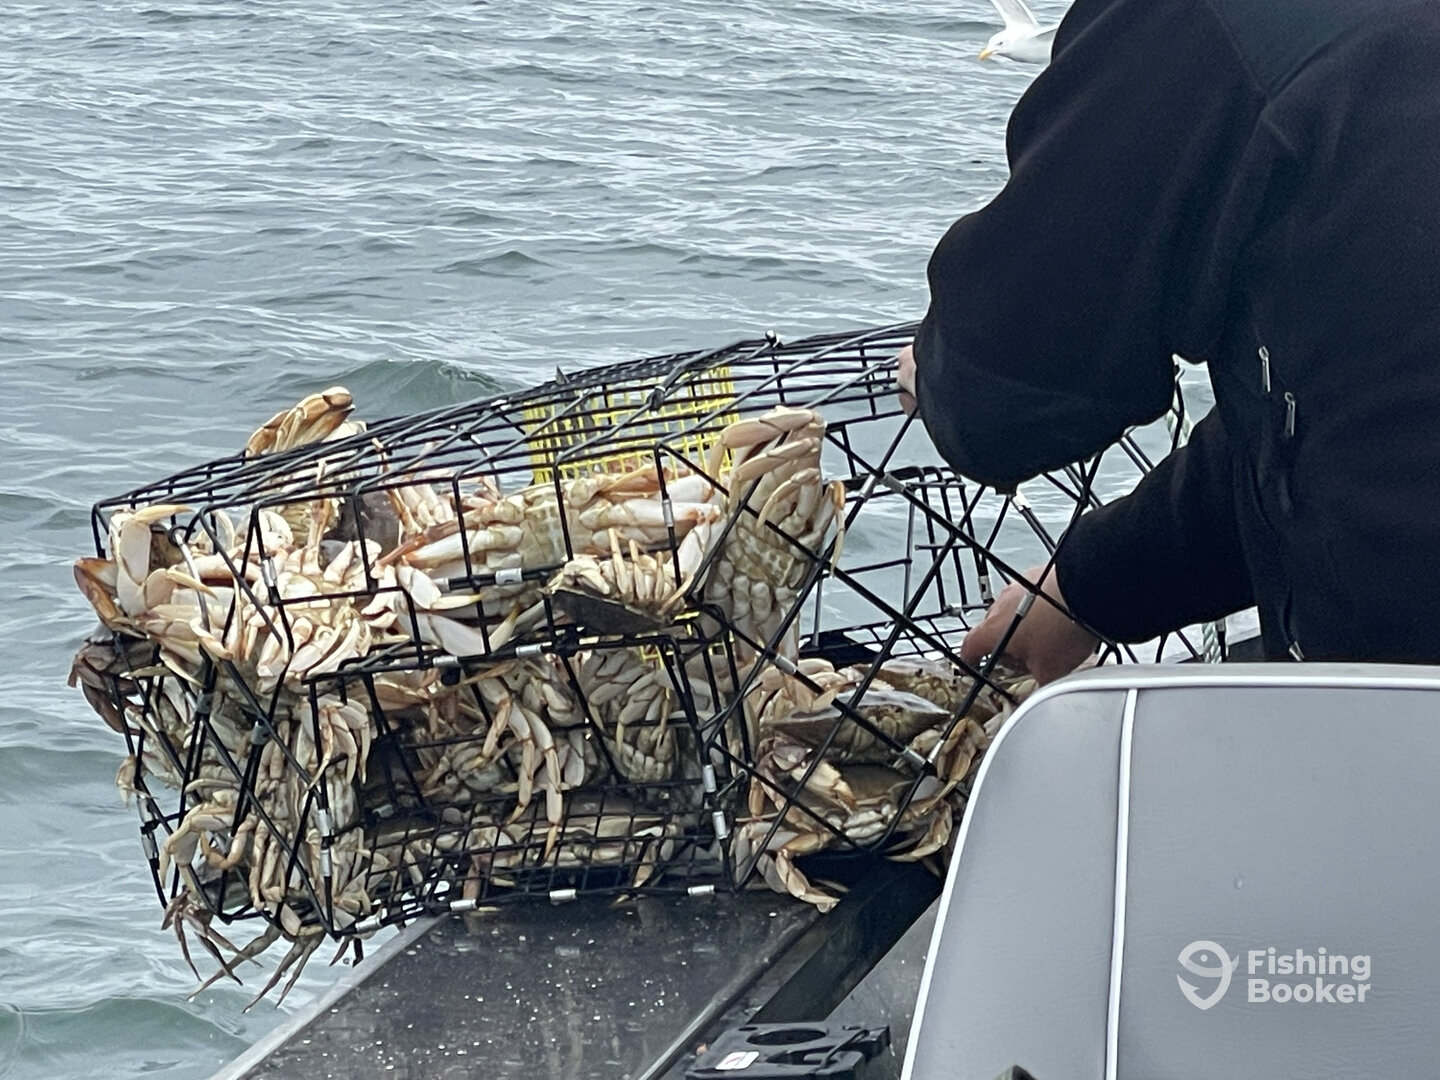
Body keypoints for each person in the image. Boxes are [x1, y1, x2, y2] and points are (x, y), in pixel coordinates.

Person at [896, 0, 1440, 684]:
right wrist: (1087, 587)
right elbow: (1363, 412)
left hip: (1397, 711)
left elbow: (1000, 404)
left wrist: (938, 374)